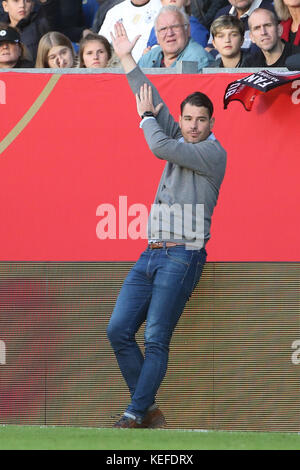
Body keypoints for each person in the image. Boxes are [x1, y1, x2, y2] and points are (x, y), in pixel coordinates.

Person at [106, 21, 227, 428]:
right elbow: (152, 101)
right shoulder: (182, 139)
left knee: (156, 338)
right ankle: (148, 408)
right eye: (187, 119)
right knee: (118, 330)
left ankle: (135, 411)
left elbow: (157, 142)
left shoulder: (212, 153)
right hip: (152, 251)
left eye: (200, 120)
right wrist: (126, 58)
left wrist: (144, 118)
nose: (193, 126)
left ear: (212, 124)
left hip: (184, 255)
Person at [138, 5, 213, 70]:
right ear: (157, 36)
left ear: (188, 30)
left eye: (175, 27)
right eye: (163, 29)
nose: (169, 33)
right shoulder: (148, 57)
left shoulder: (199, 59)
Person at [207, 0, 275, 54]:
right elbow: (209, 50)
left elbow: (255, 56)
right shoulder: (221, 13)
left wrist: (222, 52)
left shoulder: (268, 12)